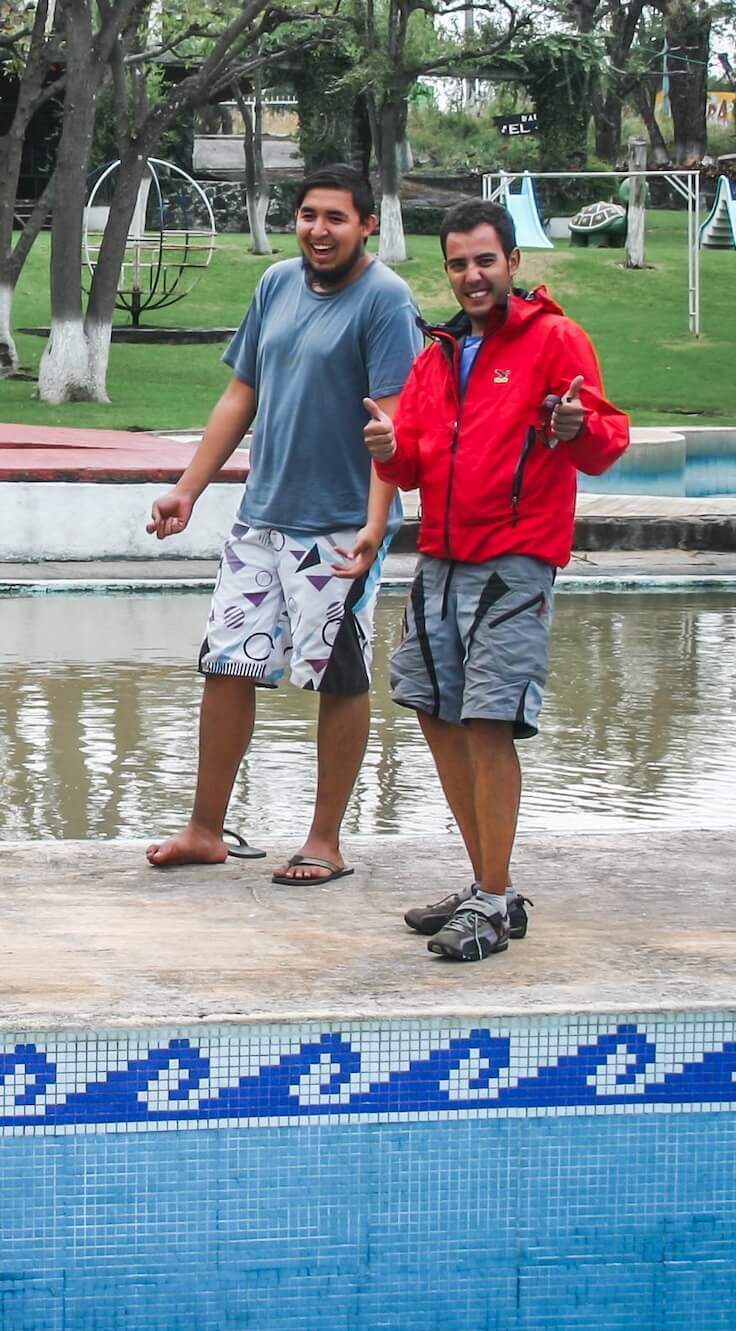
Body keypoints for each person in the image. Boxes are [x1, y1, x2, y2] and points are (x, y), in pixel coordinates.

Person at [365, 199, 628, 961]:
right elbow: (414, 463)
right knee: (431, 707)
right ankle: (491, 884)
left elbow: (605, 442)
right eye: (458, 264)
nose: (472, 275)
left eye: (485, 260)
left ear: (513, 262)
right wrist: (388, 447)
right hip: (441, 558)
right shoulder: (439, 352)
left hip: (515, 561)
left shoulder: (555, 339)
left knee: (488, 719)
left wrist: (578, 427)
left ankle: (492, 896)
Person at [144, 164, 421, 886]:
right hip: (261, 517)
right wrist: (188, 489)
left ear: (366, 225)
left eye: (335, 218)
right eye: (307, 216)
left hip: (340, 526)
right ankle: (205, 829)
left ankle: (325, 840)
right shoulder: (276, 284)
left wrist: (375, 525)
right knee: (226, 665)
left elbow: (391, 426)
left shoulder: (386, 301)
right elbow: (242, 394)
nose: (318, 231)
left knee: (340, 677)